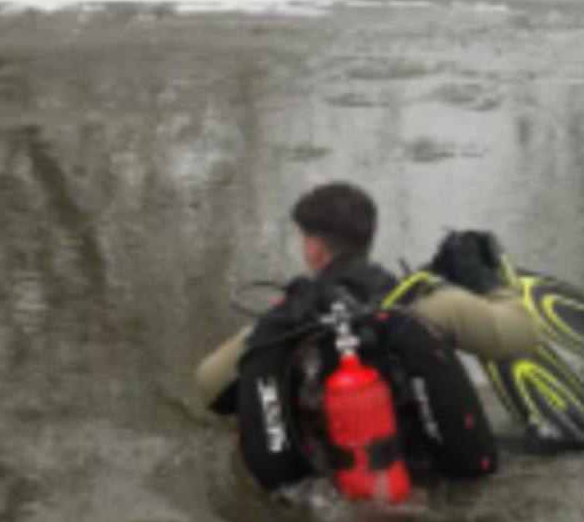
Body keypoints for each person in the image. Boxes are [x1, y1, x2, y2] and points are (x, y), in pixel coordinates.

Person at [195, 181, 540, 493]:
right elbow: (523, 334)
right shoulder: (429, 308)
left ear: (314, 250)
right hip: (419, 481)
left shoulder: (289, 324)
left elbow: (208, 383)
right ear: (368, 238)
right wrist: (484, 282)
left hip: (326, 490)